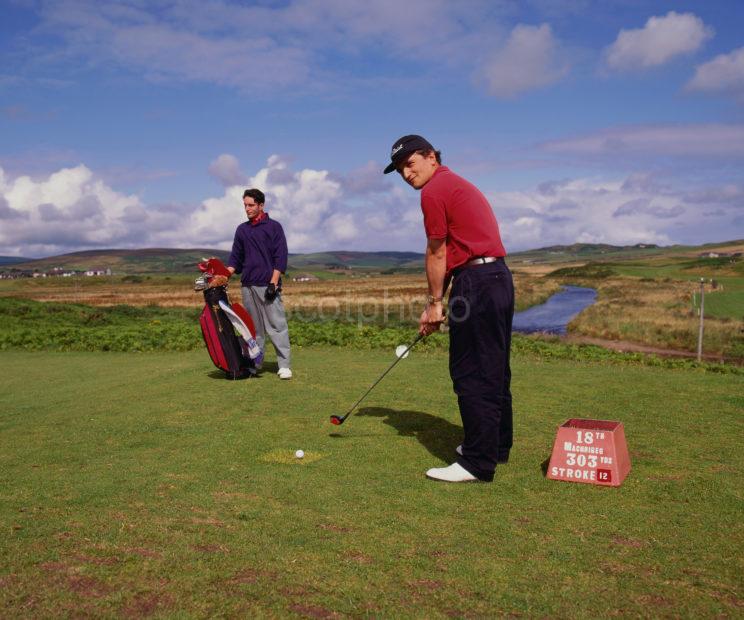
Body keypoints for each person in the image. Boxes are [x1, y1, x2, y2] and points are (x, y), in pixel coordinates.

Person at [383, 135, 514, 482]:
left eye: (410, 164)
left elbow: (437, 251)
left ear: (430, 157)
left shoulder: (434, 190)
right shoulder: (453, 183)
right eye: (400, 170)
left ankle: (476, 462)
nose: (406, 174)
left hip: (477, 282)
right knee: (494, 370)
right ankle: (495, 446)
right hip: (496, 276)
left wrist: (435, 304)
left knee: (471, 372)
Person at [226, 188, 292, 380]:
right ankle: (255, 363)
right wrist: (223, 276)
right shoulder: (242, 230)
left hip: (267, 285)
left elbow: (281, 256)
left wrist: (273, 283)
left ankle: (284, 365)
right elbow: (235, 260)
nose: (247, 209)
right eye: (245, 205)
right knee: (253, 329)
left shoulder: (274, 227)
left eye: (251, 205)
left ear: (261, 205)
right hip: (247, 285)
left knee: (276, 325)